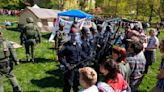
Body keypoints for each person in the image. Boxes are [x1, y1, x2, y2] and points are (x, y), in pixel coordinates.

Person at [58, 26, 88, 92]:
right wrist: (66, 65)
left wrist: (87, 57)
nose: (75, 37)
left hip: (78, 68)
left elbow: (81, 54)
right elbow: (60, 56)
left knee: (76, 85)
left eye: (76, 35)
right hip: (70, 69)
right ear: (70, 35)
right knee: (68, 85)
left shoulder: (78, 45)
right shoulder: (66, 46)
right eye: (73, 35)